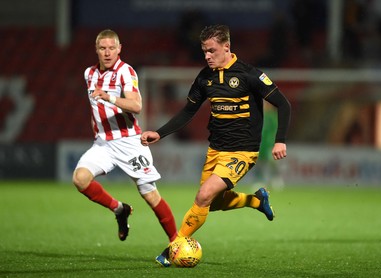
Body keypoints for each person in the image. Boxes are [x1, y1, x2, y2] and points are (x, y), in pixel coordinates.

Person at [141, 24, 291, 267]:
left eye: (211, 50)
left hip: (243, 151)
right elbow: (189, 110)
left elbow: (284, 104)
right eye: (204, 52)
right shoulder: (205, 77)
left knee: (203, 195)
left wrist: (280, 140)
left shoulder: (250, 75)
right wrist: (160, 133)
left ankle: (173, 249)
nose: (207, 56)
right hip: (216, 150)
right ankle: (256, 200)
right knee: (214, 202)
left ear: (226, 47)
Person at [72, 29, 177, 247]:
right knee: (80, 179)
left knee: (150, 195)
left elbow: (136, 106)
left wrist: (109, 96)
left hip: (129, 142)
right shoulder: (89, 74)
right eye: (103, 48)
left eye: (112, 48)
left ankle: (177, 241)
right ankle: (120, 209)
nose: (107, 53)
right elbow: (95, 108)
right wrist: (97, 127)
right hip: (103, 143)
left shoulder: (126, 72)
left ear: (119, 49)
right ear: (96, 50)